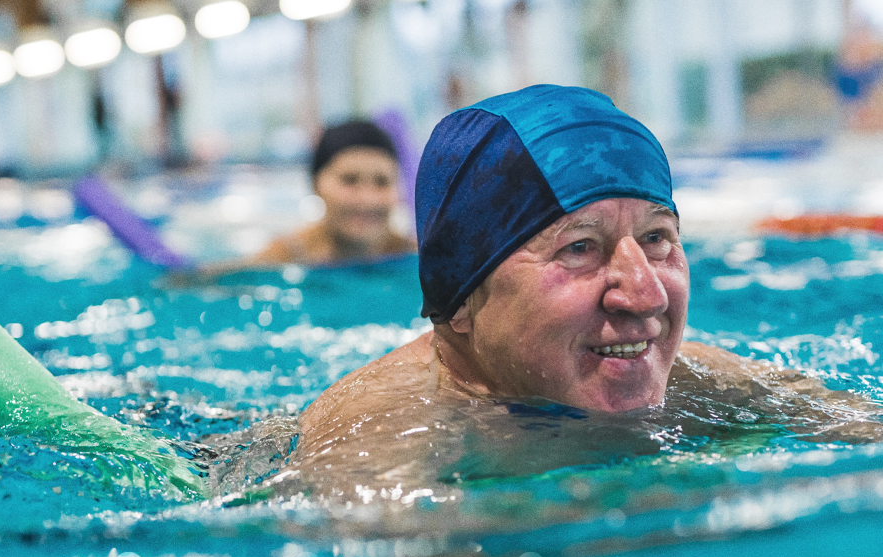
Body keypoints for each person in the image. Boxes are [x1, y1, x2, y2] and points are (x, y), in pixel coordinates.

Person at [291, 85, 883, 495]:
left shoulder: (704, 381)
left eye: (656, 238)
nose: (646, 296)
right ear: (460, 298)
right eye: (579, 247)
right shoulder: (381, 438)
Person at [248, 120, 416, 266]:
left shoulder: (419, 258)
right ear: (316, 184)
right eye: (350, 180)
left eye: (382, 182)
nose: (367, 198)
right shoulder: (275, 261)